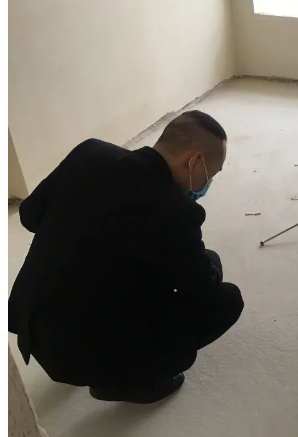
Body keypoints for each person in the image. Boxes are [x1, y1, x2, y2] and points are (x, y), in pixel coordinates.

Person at [8, 110, 244, 404]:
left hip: (33, 328)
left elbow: (29, 216)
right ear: (194, 161)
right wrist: (212, 262)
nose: (208, 183)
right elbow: (202, 288)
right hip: (90, 355)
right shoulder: (177, 213)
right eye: (212, 174)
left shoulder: (90, 153)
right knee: (227, 297)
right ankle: (126, 383)